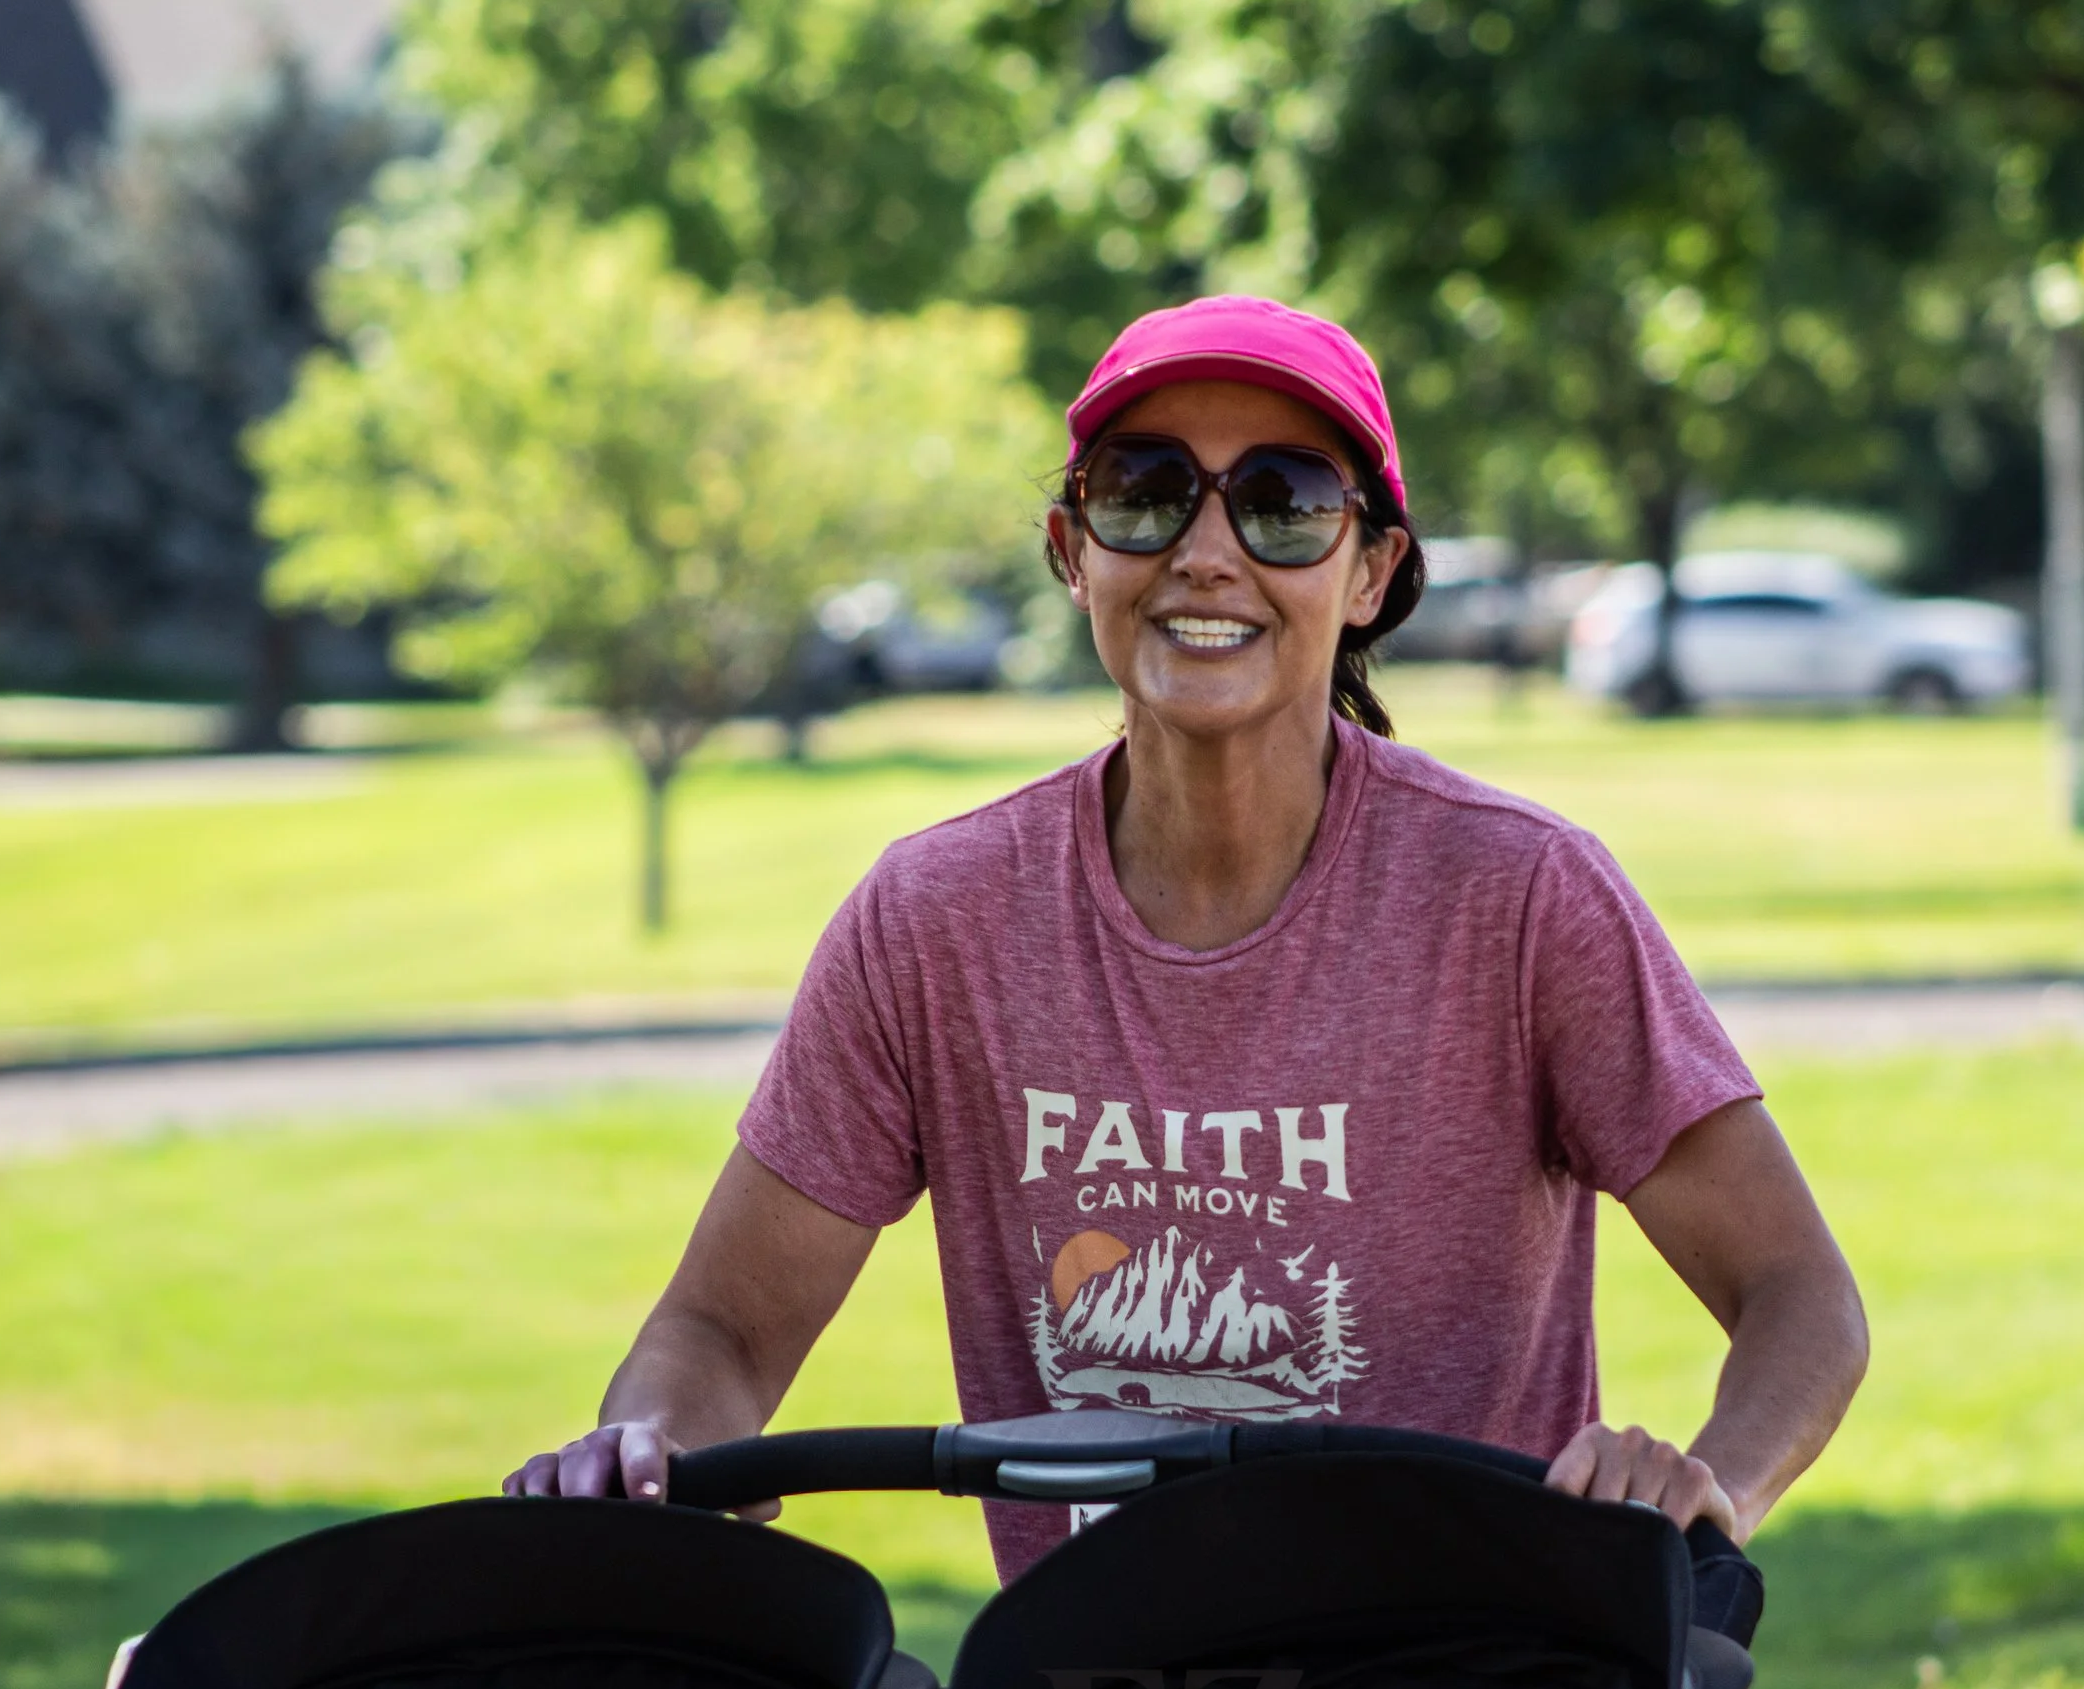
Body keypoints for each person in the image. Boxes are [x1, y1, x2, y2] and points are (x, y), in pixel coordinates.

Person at [506, 295, 1868, 1582]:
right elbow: (723, 1331)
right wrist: (651, 1457)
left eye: (1283, 504)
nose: (1207, 554)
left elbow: (1799, 1293)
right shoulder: (938, 920)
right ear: (1071, 549)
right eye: (1147, 494)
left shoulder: (1518, 900)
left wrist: (1706, 1490)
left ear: (1372, 569)